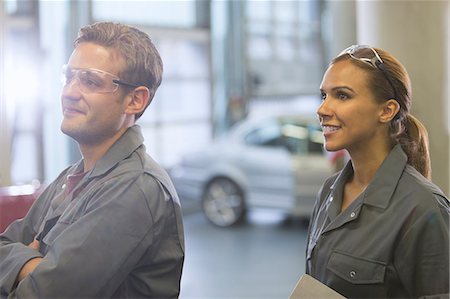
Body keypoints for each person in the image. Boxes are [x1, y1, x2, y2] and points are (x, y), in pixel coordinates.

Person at [0, 22, 185, 298]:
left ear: (135, 100)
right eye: (69, 77)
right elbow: (4, 243)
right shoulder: (72, 177)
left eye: (90, 81)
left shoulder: (135, 188)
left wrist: (23, 267)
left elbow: (45, 295)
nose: (69, 92)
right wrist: (32, 265)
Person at [306, 45, 449, 298]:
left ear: (386, 111)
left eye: (342, 96)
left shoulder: (424, 208)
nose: (322, 110)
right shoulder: (329, 191)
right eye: (323, 96)